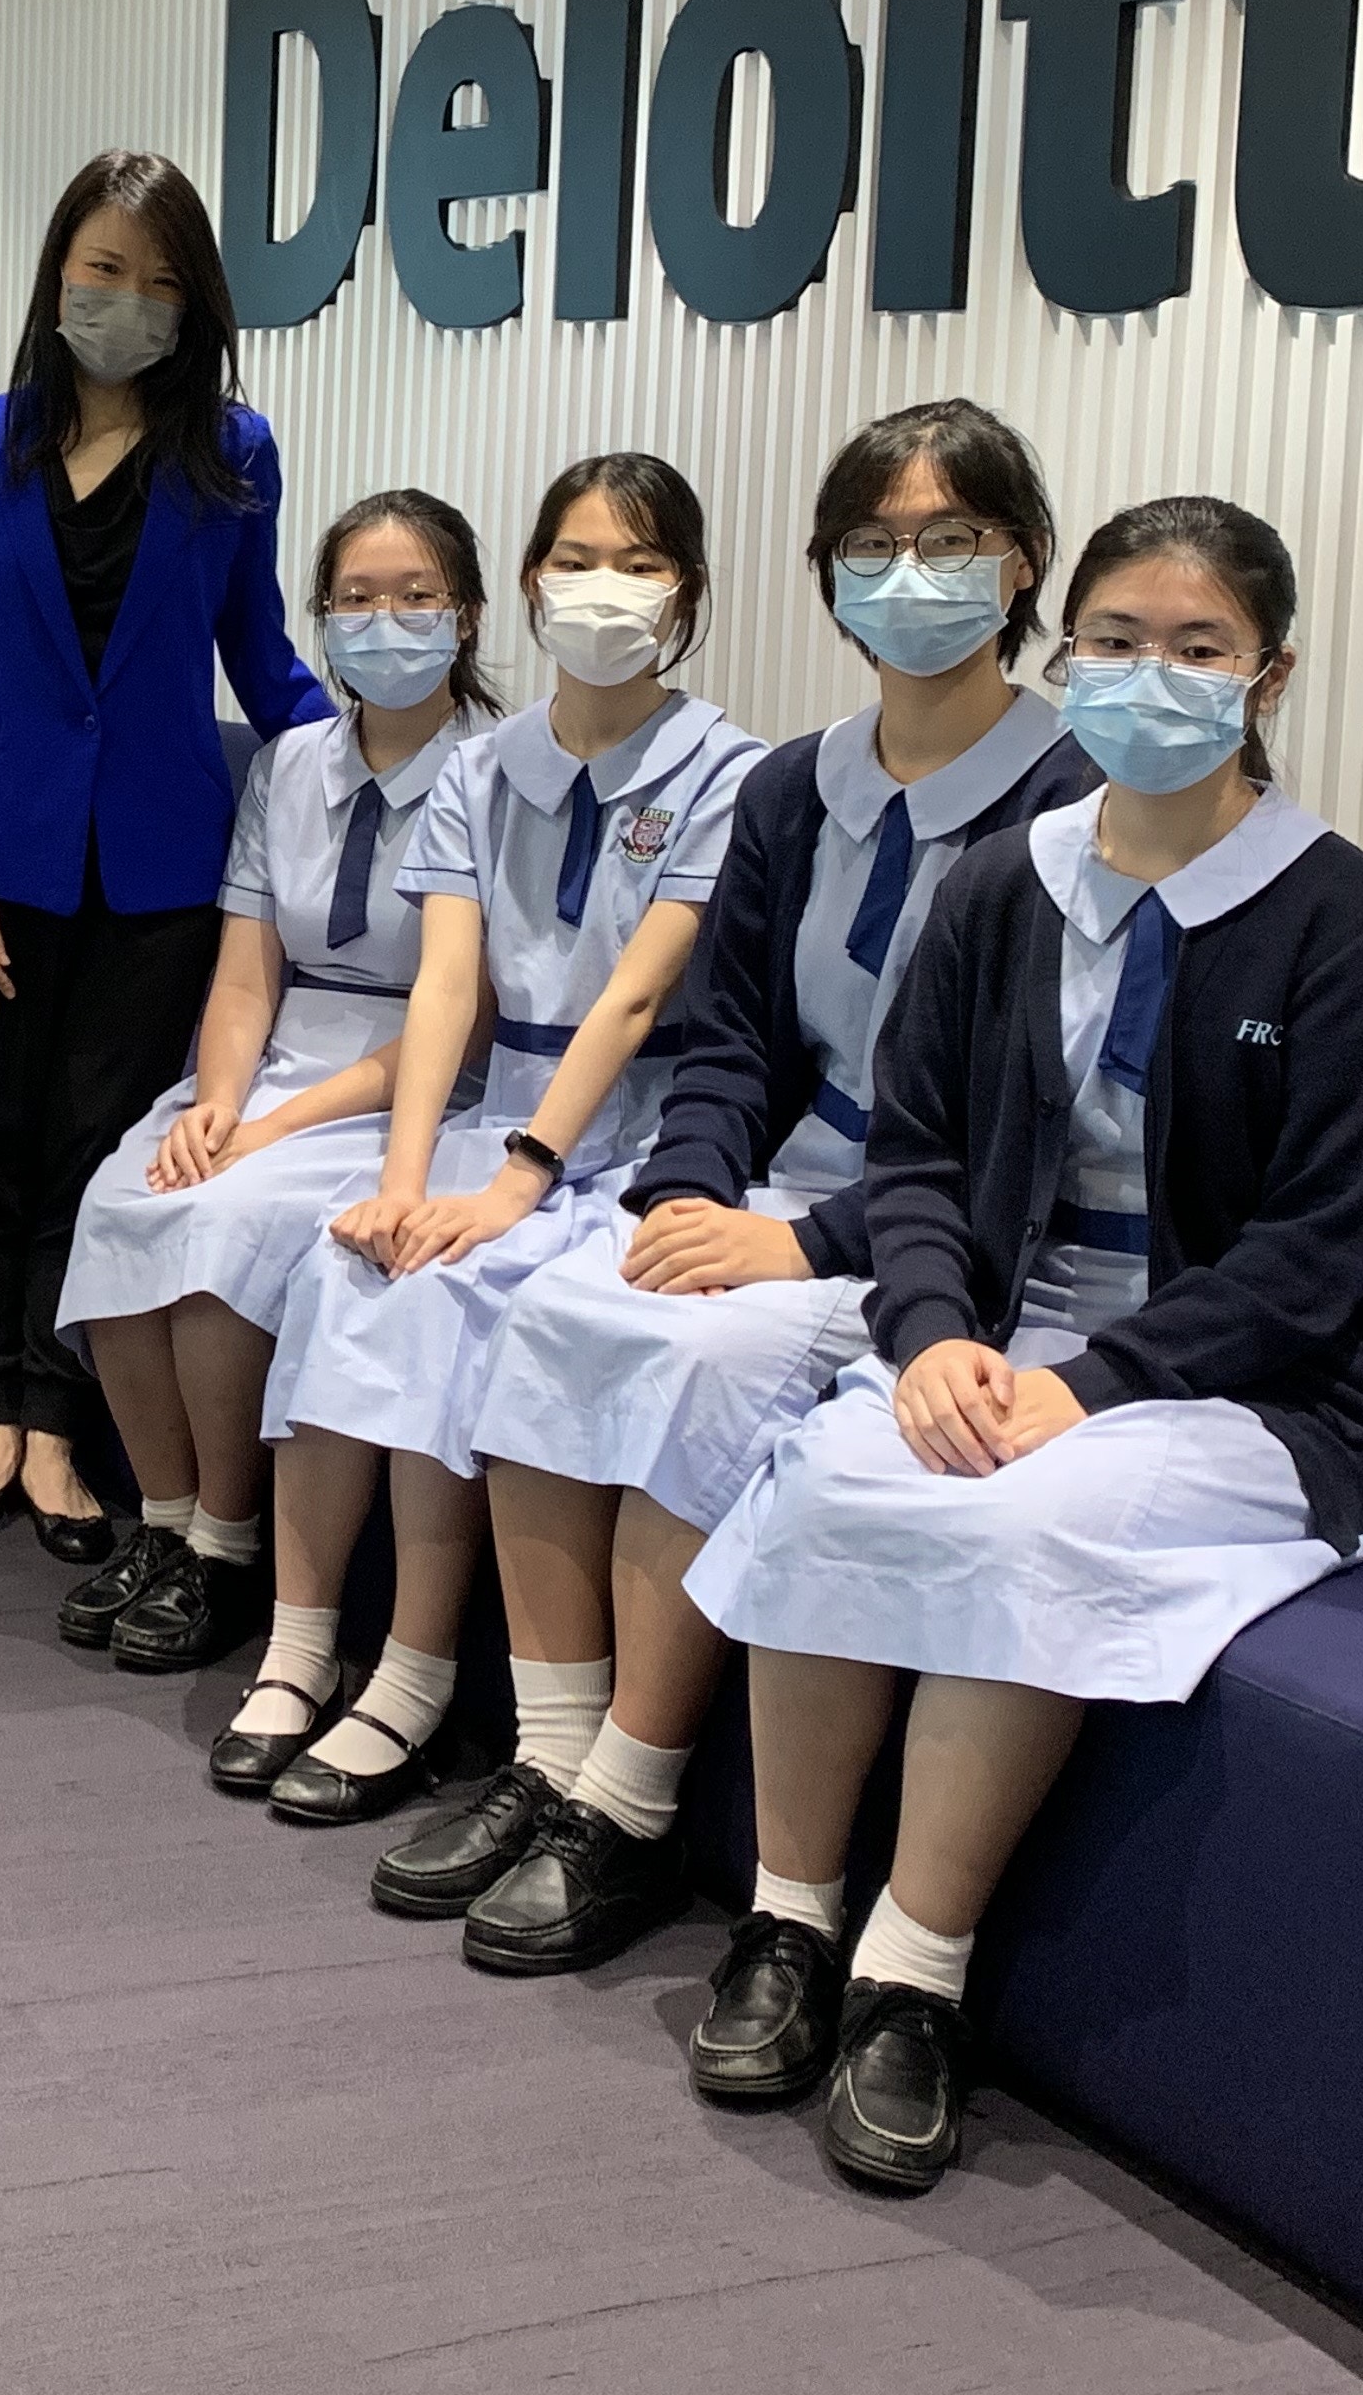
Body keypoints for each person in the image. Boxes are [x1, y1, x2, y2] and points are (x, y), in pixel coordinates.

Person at [679, 496, 1363, 2198]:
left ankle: (910, 1979)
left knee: (1025, 1516)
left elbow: (1310, 1257)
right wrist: (933, 1337)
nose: (1150, 675)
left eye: (1198, 647)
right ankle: (785, 1924)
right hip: (999, 1333)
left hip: (1242, 1386)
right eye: (1115, 639)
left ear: (1269, 677)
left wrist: (1081, 1386)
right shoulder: (1006, 885)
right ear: (1065, 651)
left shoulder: (1343, 924)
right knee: (833, 1472)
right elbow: (918, 1159)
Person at [371, 403, 1095, 1957]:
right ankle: (550, 1759)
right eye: (873, 543)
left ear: (1024, 562)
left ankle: (630, 1806)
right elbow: (732, 1044)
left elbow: (1024, 1125)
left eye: (951, 539)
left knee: (701, 1364)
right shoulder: (796, 785)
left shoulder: (1076, 801)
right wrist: (681, 1196)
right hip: (777, 1196)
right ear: (826, 572)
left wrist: (807, 1243)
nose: (910, 574)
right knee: (560, 1309)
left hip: (941, 1235)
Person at [228, 458, 762, 1823]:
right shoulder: (481, 767)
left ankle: (413, 1679)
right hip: (486, 1114)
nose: (604, 590)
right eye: (576, 560)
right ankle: (299, 1649)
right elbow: (447, 986)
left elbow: (636, 998)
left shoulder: (731, 773)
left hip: (628, 1132)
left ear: (686, 593)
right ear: (528, 584)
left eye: (640, 564)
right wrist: (406, 1181)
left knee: (453, 1292)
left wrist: (518, 1182)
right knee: (352, 1268)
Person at [0, 151, 328, 1562]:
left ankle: (59, 1426)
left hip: (158, 872)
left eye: (159, 280)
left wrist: (401, 753)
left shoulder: (232, 452)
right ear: (57, 274)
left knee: (96, 1155)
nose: (127, 300)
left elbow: (260, 656)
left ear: (194, 303)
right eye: (103, 270)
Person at [49, 489, 496, 1673]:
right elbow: (248, 972)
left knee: (226, 1232)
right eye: (356, 598)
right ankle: (164, 1521)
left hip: (410, 1085)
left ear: (465, 615)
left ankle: (227, 1544)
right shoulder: (289, 764)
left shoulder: (502, 775)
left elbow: (461, 1017)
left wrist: (271, 1130)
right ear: (322, 618)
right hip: (275, 1059)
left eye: (416, 597)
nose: (384, 622)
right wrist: (215, 1102)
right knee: (128, 1197)